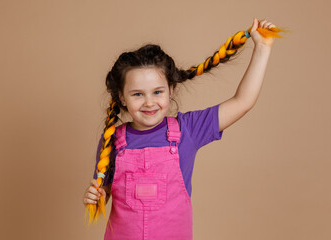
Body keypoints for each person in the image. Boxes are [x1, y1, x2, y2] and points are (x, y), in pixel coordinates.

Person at [83, 18, 286, 239]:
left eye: (157, 92)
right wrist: (96, 196)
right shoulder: (112, 139)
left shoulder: (188, 129)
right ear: (122, 97)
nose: (149, 102)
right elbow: (105, 193)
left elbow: (242, 102)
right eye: (138, 94)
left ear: (171, 90)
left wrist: (262, 49)